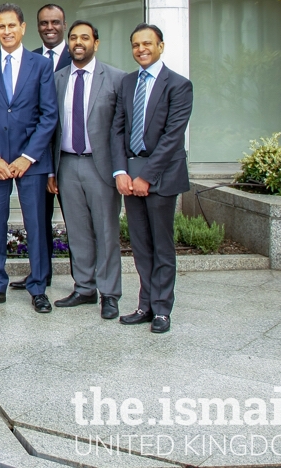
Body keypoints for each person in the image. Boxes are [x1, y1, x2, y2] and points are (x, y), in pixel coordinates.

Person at [0, 3, 59, 313]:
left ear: (22, 28)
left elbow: (49, 116)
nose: (6, 31)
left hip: (30, 163)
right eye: (1, 26)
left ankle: (38, 287)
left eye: (12, 26)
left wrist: (27, 157)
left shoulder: (41, 65)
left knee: (36, 224)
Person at [112, 24, 193, 335]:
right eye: (135, 44)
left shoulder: (179, 85)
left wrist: (146, 175)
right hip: (131, 176)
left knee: (161, 245)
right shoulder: (127, 83)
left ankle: (162, 309)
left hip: (161, 176)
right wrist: (121, 172)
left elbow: (173, 137)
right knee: (140, 245)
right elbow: (117, 129)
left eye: (147, 43)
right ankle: (145, 304)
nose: (141, 49)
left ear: (161, 46)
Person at [48, 20, 127, 319]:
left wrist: (121, 170)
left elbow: (121, 129)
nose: (78, 42)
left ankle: (109, 293)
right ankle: (84, 287)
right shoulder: (58, 79)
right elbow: (51, 128)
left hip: (101, 166)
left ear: (96, 42)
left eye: (84, 37)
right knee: (77, 231)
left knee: (106, 231)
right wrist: (50, 172)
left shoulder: (116, 79)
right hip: (66, 163)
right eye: (73, 38)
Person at [13, 2, 71, 291]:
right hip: (38, 157)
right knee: (39, 221)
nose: (49, 27)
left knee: (77, 222)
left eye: (55, 22)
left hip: (71, 156)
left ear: (64, 24)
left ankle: (86, 282)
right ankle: (40, 275)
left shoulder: (79, 57)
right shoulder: (31, 59)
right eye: (44, 23)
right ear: (36, 27)